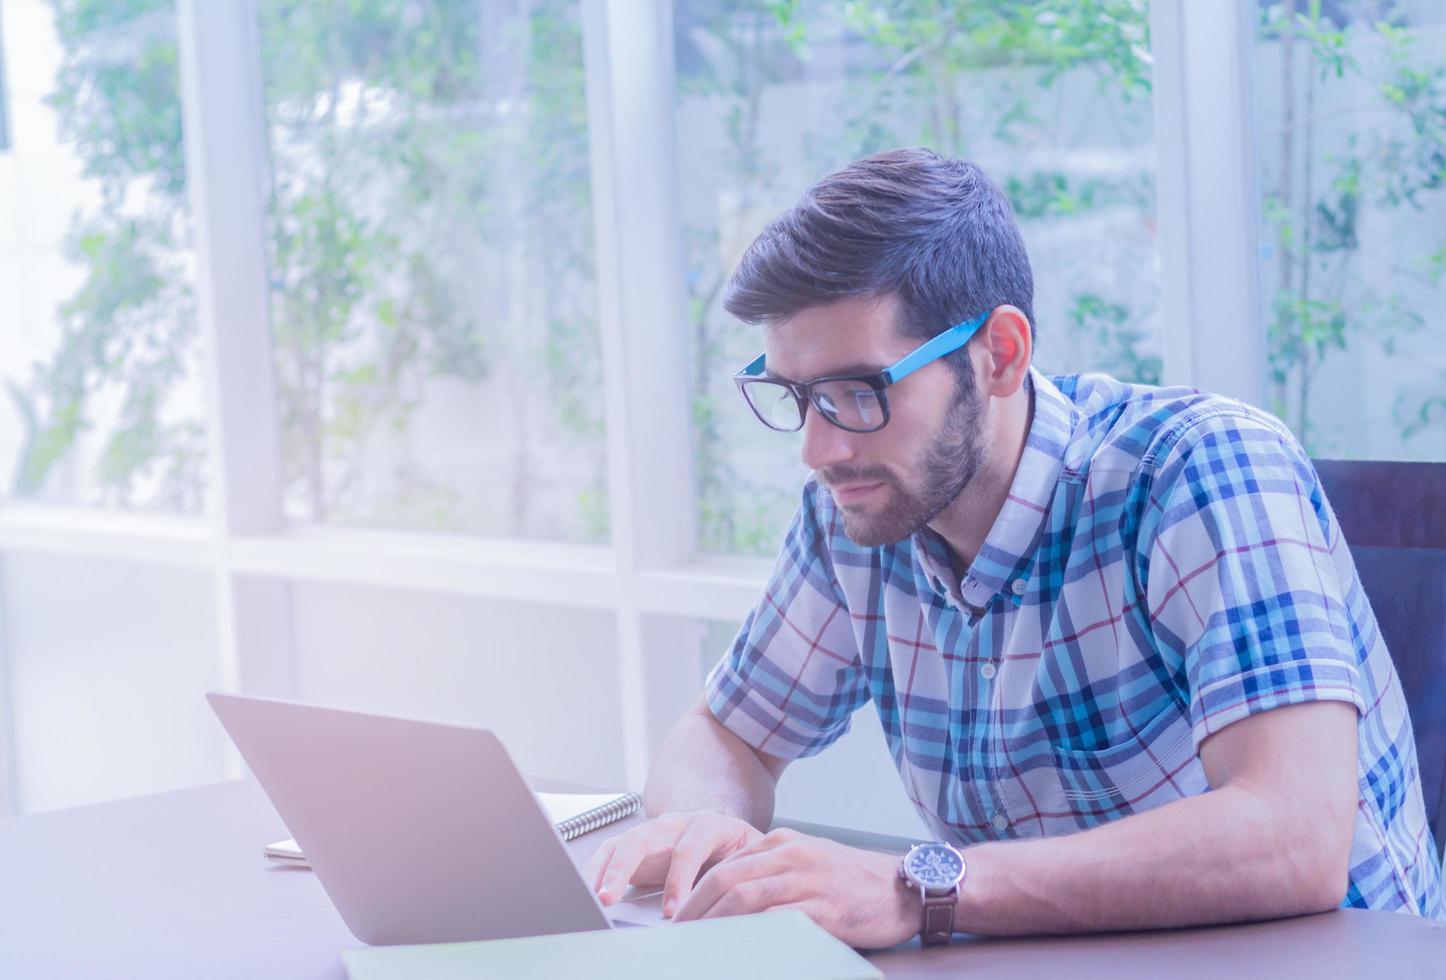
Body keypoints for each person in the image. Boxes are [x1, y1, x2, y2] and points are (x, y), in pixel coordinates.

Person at [580, 148, 1444, 949]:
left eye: (856, 392)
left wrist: (919, 888)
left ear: (999, 353)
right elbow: (726, 733)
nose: (819, 447)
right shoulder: (857, 513)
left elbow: (1294, 835)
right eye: (797, 397)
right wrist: (706, 828)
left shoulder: (1197, 469)